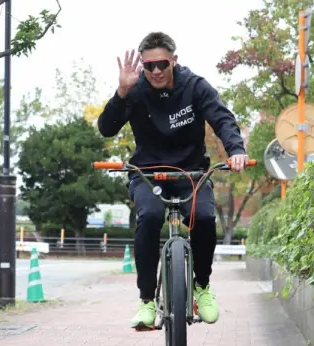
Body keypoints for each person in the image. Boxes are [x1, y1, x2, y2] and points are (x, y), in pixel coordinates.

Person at [98, 32, 249, 330]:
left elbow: (222, 119)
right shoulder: (135, 90)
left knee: (203, 217)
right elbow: (106, 128)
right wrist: (122, 92)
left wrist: (236, 151)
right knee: (149, 217)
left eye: (162, 64)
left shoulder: (195, 86)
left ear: (174, 60)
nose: (155, 71)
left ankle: (202, 287)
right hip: (148, 174)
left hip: (190, 173)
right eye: (149, 66)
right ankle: (146, 301)